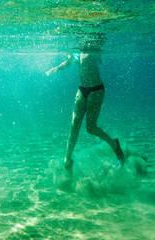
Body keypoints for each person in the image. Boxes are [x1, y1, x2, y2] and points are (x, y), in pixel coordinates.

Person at [46, 34, 125, 173]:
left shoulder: (94, 47)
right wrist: (57, 68)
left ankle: (115, 145)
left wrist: (96, 43)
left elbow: (98, 52)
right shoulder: (79, 51)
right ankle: (67, 161)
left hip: (96, 90)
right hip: (82, 90)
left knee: (91, 128)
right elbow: (70, 60)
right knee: (74, 125)